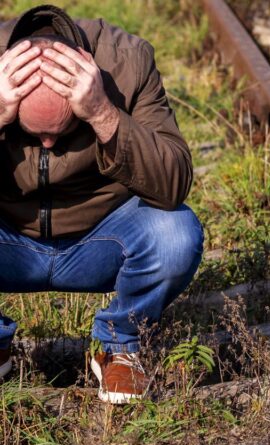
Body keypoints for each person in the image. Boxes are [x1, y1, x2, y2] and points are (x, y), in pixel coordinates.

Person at [0, 5, 203, 404]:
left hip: (105, 236)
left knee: (176, 234)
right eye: (33, 133)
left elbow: (174, 182)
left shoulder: (128, 61)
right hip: (8, 236)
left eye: (60, 131)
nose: (46, 145)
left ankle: (120, 344)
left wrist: (102, 114)